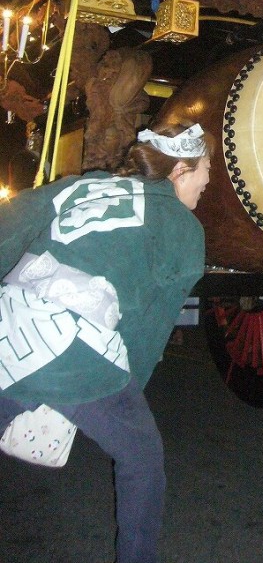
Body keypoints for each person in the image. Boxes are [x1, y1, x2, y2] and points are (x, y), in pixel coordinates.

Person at [0, 121, 211, 563]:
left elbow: (11, 223)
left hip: (9, 320)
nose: (207, 183)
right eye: (204, 172)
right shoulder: (184, 230)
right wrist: (123, 388)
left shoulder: (86, 184)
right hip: (73, 347)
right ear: (180, 171)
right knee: (143, 461)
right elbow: (147, 333)